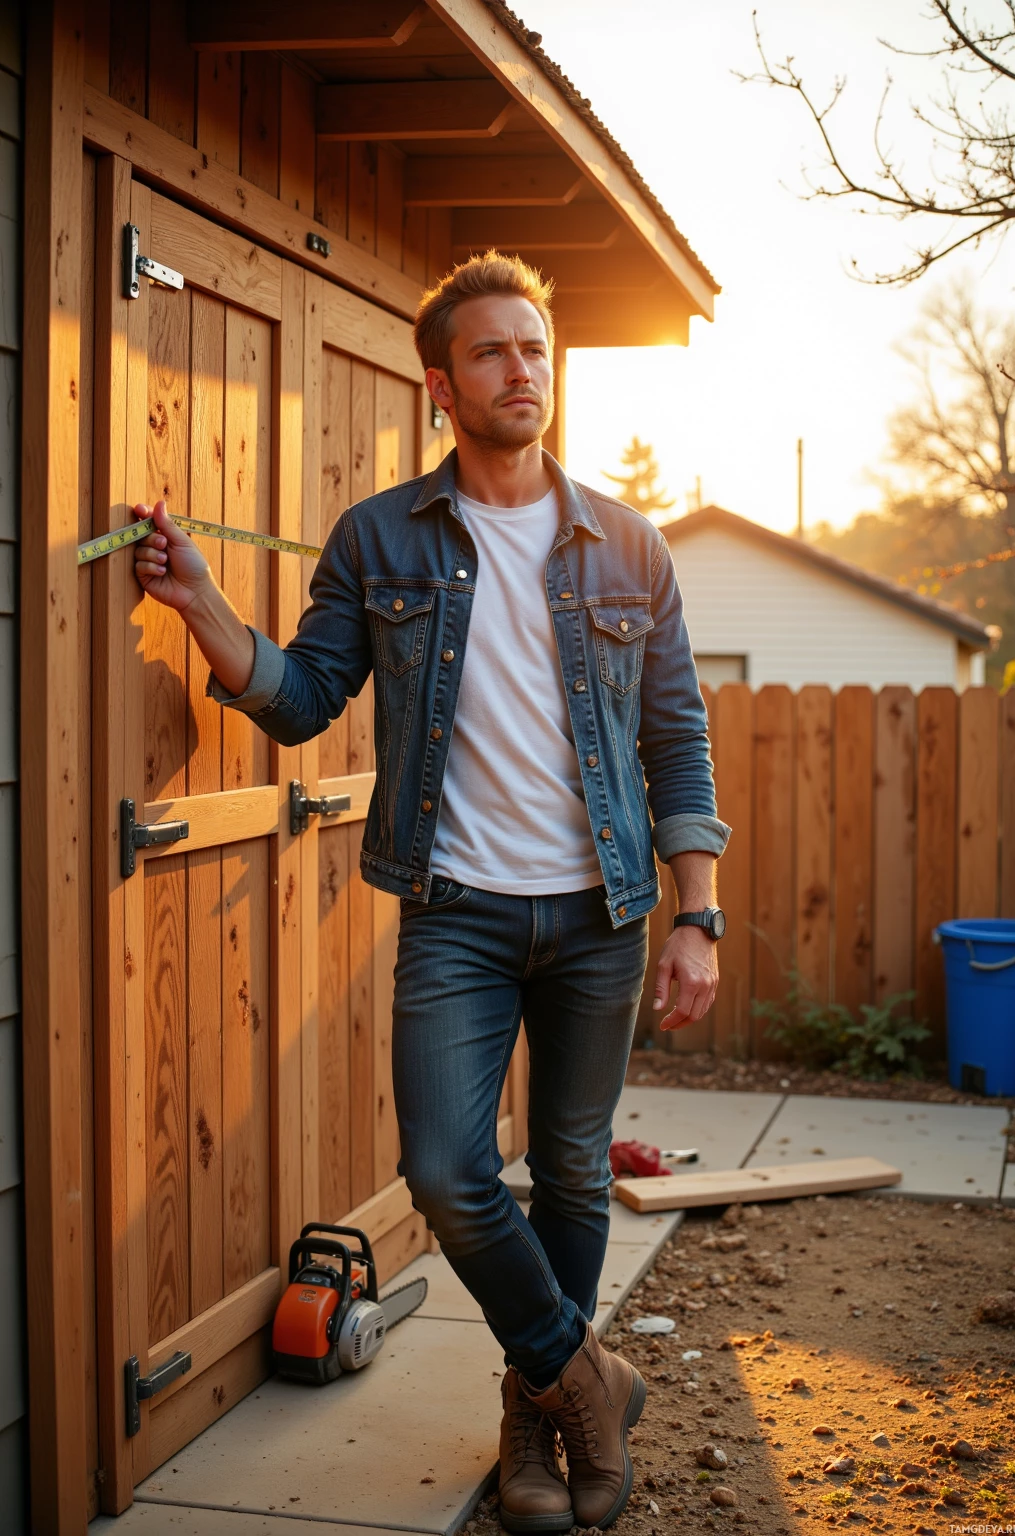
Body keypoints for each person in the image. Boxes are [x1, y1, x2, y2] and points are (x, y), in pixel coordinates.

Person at [131, 251, 731, 1533]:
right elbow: (301, 703)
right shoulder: (382, 537)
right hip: (454, 907)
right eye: (494, 352)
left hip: (601, 913)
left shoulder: (627, 545)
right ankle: (586, 1381)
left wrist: (697, 911)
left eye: (536, 346)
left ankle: (533, 1430)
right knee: (449, 1168)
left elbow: (676, 737)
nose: (525, 368)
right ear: (440, 386)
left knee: (569, 1173)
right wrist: (207, 610)